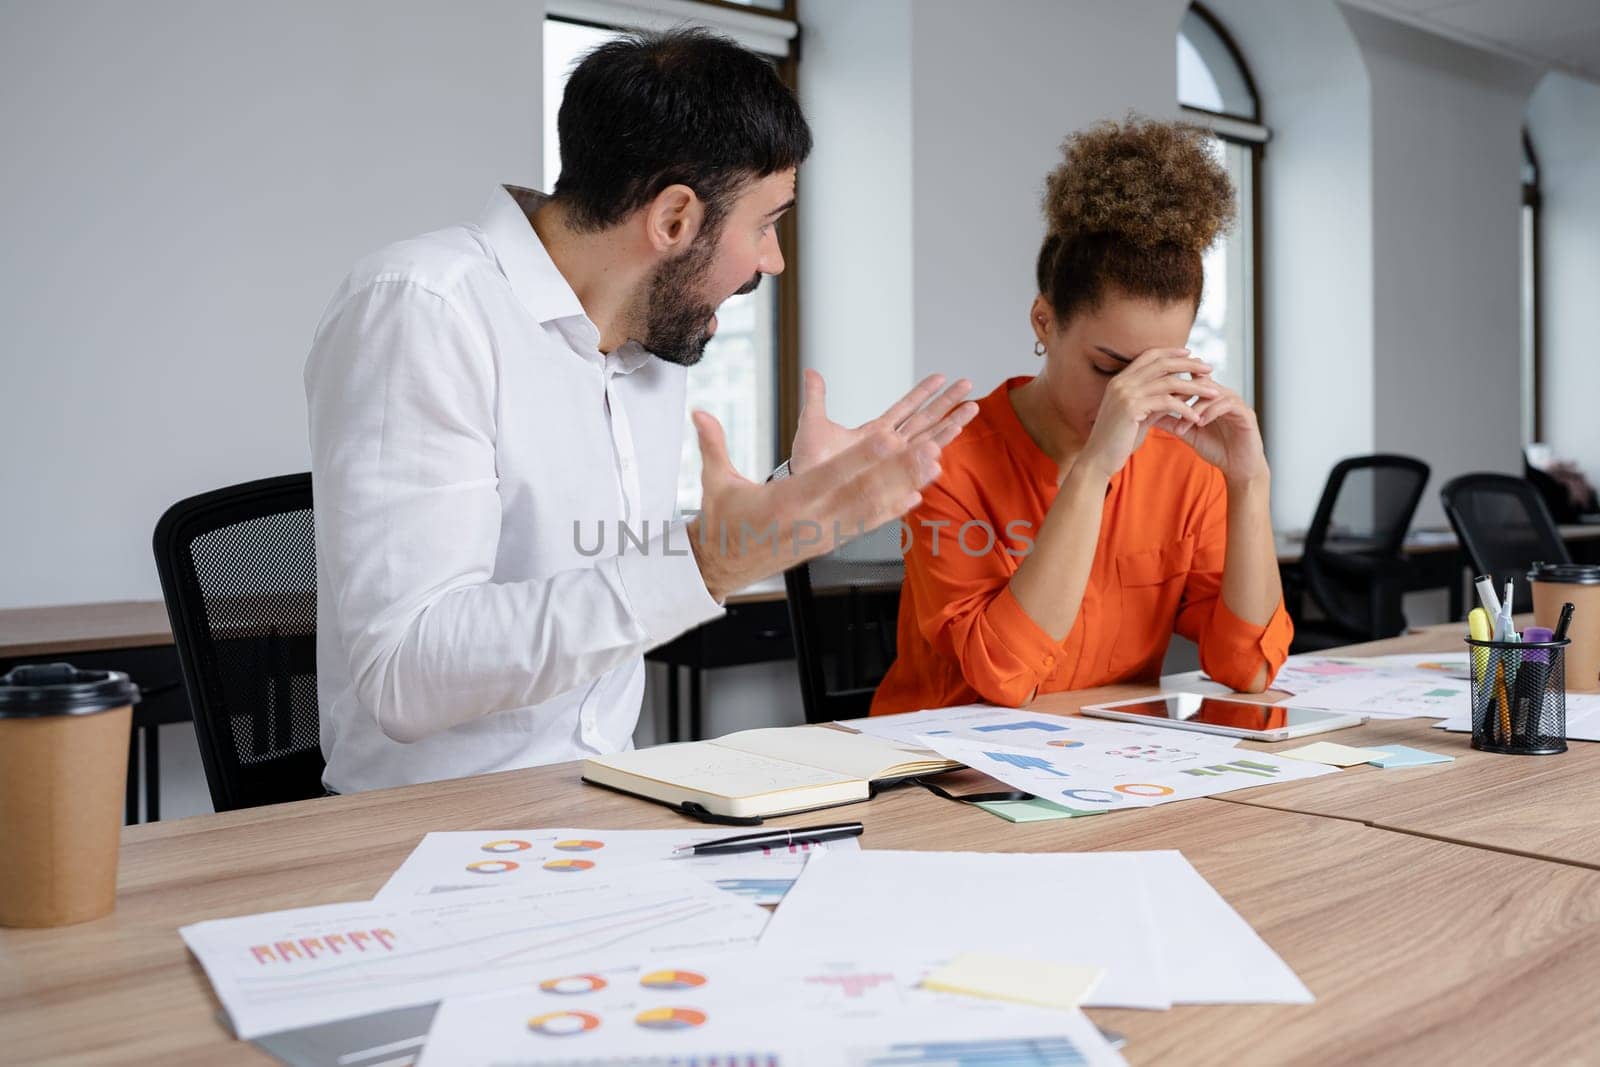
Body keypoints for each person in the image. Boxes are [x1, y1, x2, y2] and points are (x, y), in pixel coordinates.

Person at [305, 28, 977, 792]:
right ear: (673, 220)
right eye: (765, 224)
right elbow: (405, 672)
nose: (773, 261)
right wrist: (712, 559)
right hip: (425, 830)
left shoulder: (649, 344)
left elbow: (623, 581)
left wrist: (795, 496)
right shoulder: (423, 309)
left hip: (607, 801)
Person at [872, 118, 1291, 716]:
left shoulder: (1185, 465)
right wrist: (1094, 471)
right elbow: (1006, 677)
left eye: (1155, 370)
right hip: (944, 771)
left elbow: (1248, 667)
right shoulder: (946, 460)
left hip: (1106, 766)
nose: (1132, 401)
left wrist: (1249, 485)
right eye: (1109, 367)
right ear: (1045, 321)